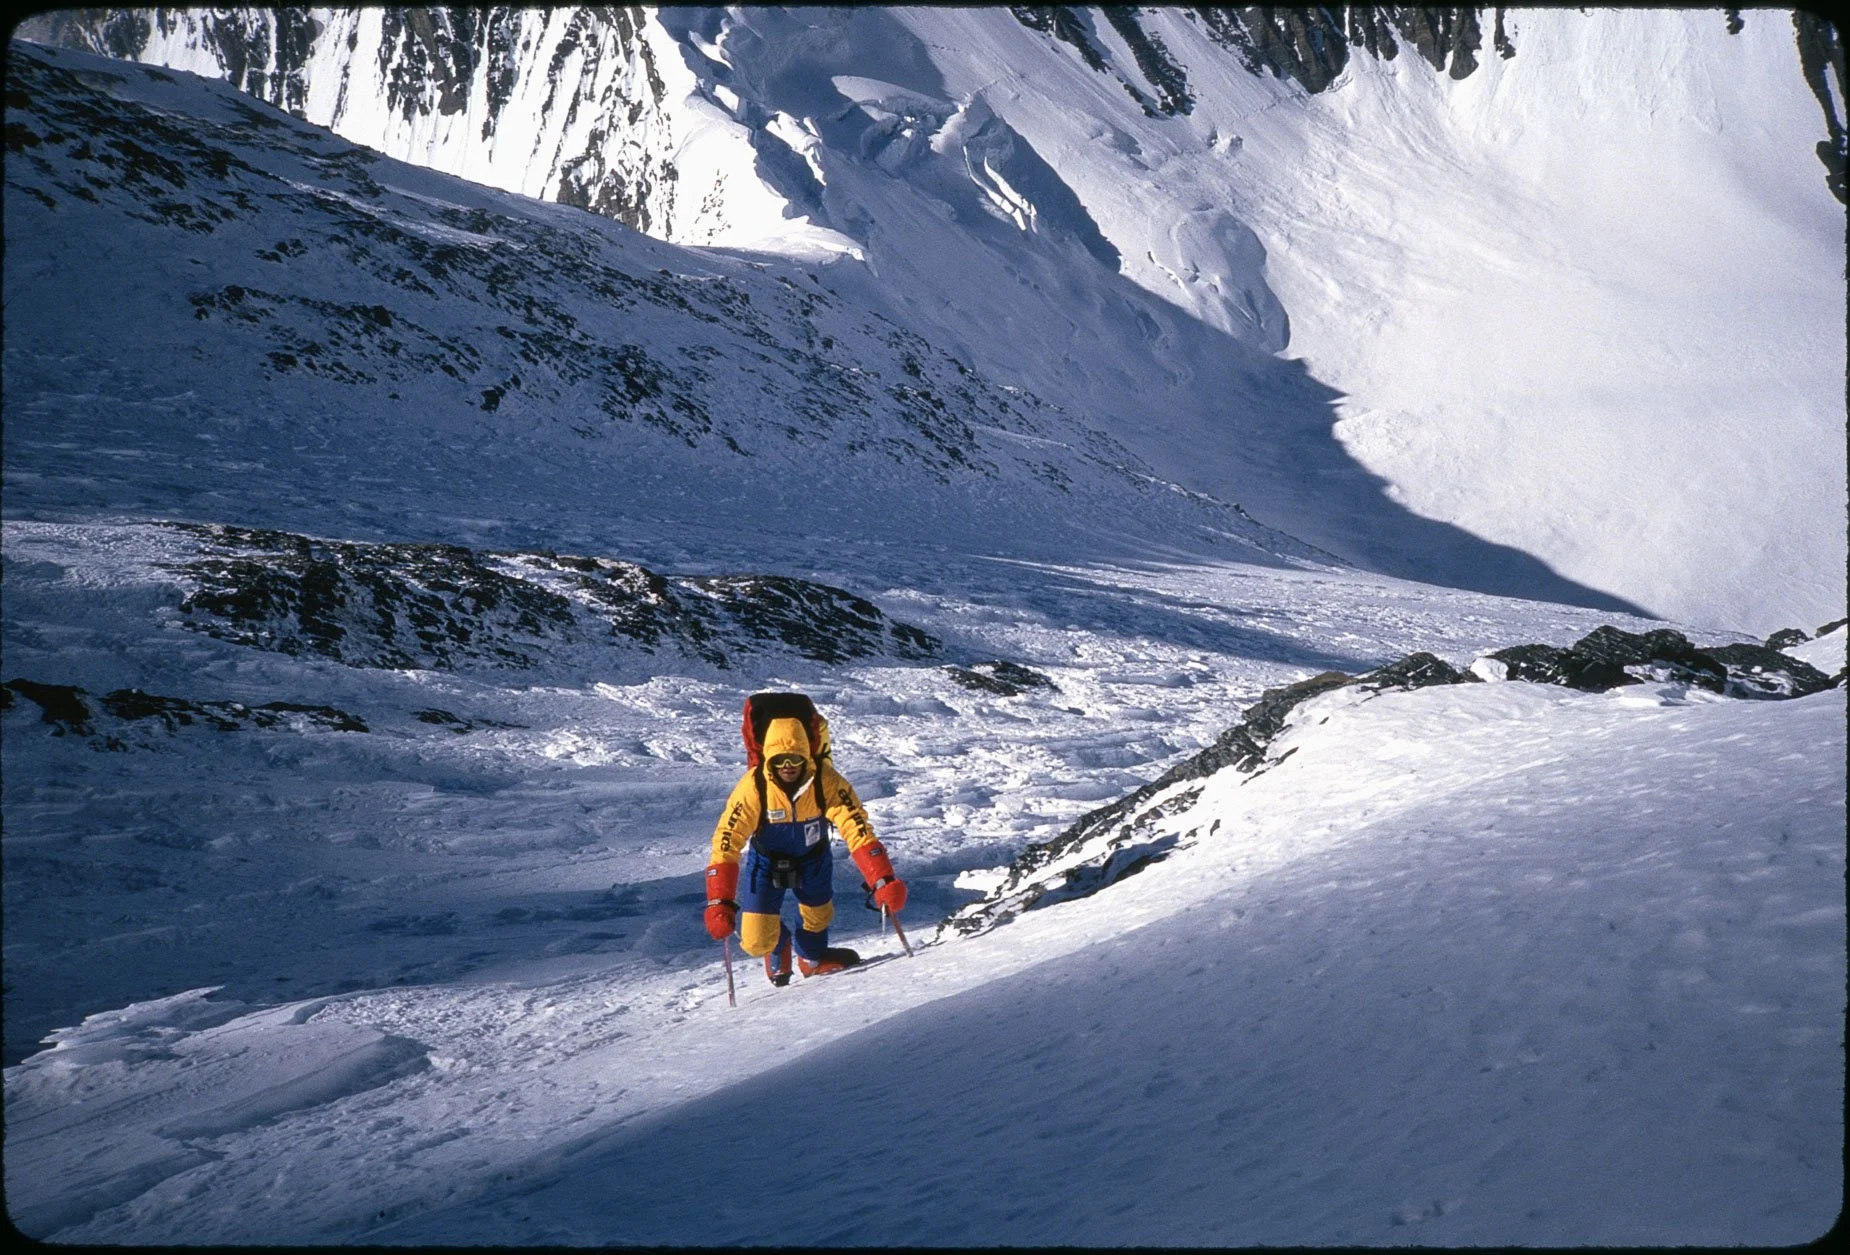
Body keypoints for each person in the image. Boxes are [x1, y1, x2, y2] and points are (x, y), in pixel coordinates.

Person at [702, 714, 907, 984]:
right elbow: (726, 841)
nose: (787, 766)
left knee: (818, 916)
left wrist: (882, 878)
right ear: (769, 759)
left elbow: (857, 828)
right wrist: (719, 900)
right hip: (766, 863)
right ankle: (778, 942)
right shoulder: (754, 786)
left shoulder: (826, 780)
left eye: (794, 759)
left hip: (813, 860)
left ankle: (812, 958)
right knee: (756, 941)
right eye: (780, 760)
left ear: (805, 757)